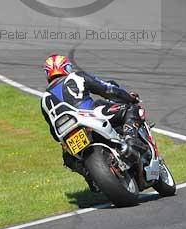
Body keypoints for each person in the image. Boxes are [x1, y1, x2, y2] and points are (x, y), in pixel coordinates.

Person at [41, 54, 145, 187]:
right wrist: (129, 98)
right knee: (130, 109)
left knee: (68, 158)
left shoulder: (44, 99)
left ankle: (90, 177)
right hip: (91, 115)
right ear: (67, 68)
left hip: (67, 132)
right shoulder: (76, 77)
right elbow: (107, 89)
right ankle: (130, 141)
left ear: (47, 73)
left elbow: (54, 133)